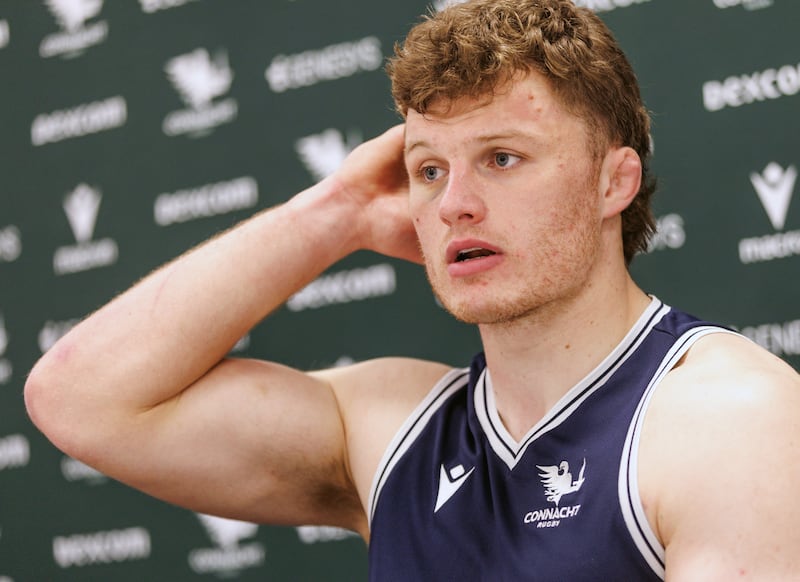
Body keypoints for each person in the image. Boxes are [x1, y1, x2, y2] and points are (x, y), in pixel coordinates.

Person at [25, 0, 800, 579]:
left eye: (502, 157)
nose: (454, 201)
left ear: (613, 182)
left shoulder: (728, 419)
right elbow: (81, 400)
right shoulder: (390, 427)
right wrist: (338, 210)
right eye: (429, 169)